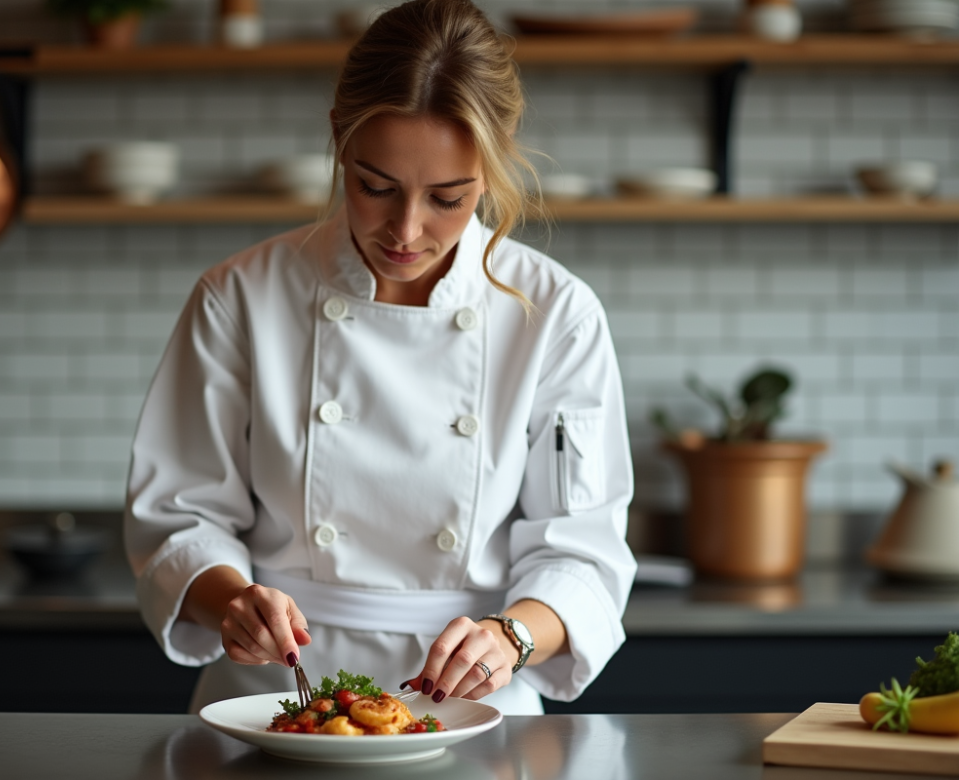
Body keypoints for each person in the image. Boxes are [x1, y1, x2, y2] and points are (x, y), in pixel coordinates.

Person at [123, 0, 635, 716]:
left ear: (495, 161)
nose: (406, 229)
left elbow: (582, 551)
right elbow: (178, 517)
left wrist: (511, 637)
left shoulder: (554, 314)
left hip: (476, 710)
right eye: (376, 187)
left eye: (448, 198)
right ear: (339, 141)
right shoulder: (240, 295)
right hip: (272, 698)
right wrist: (234, 602)